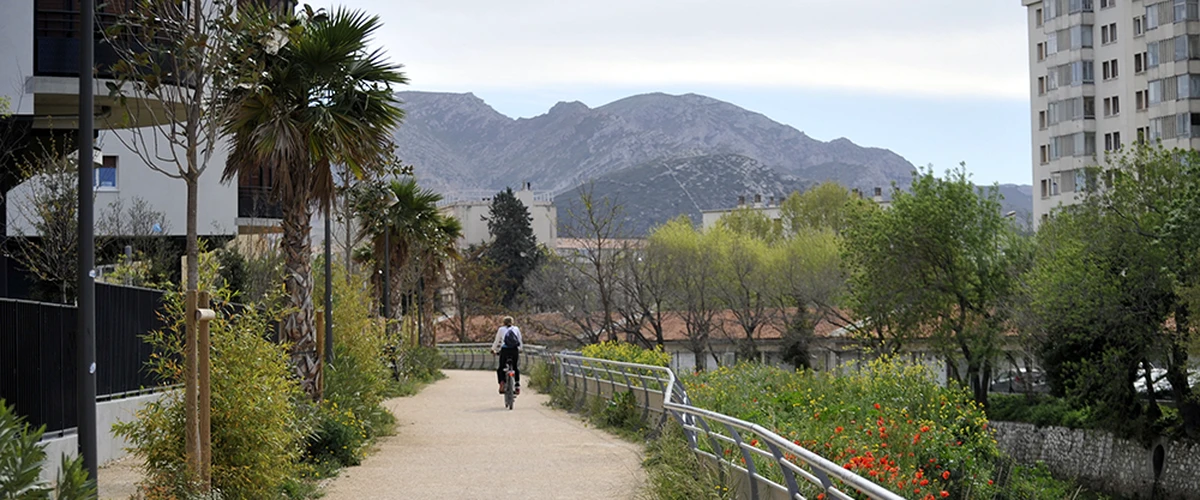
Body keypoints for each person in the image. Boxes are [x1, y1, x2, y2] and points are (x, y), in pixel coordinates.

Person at [491, 316, 523, 395]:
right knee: (515, 367)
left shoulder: (501, 329)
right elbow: (519, 340)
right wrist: (520, 349)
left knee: (501, 368)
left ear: (503, 322)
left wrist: (493, 349)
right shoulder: (516, 329)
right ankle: (517, 385)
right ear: (512, 322)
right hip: (514, 350)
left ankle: (502, 383)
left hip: (505, 350)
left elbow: (497, 341)